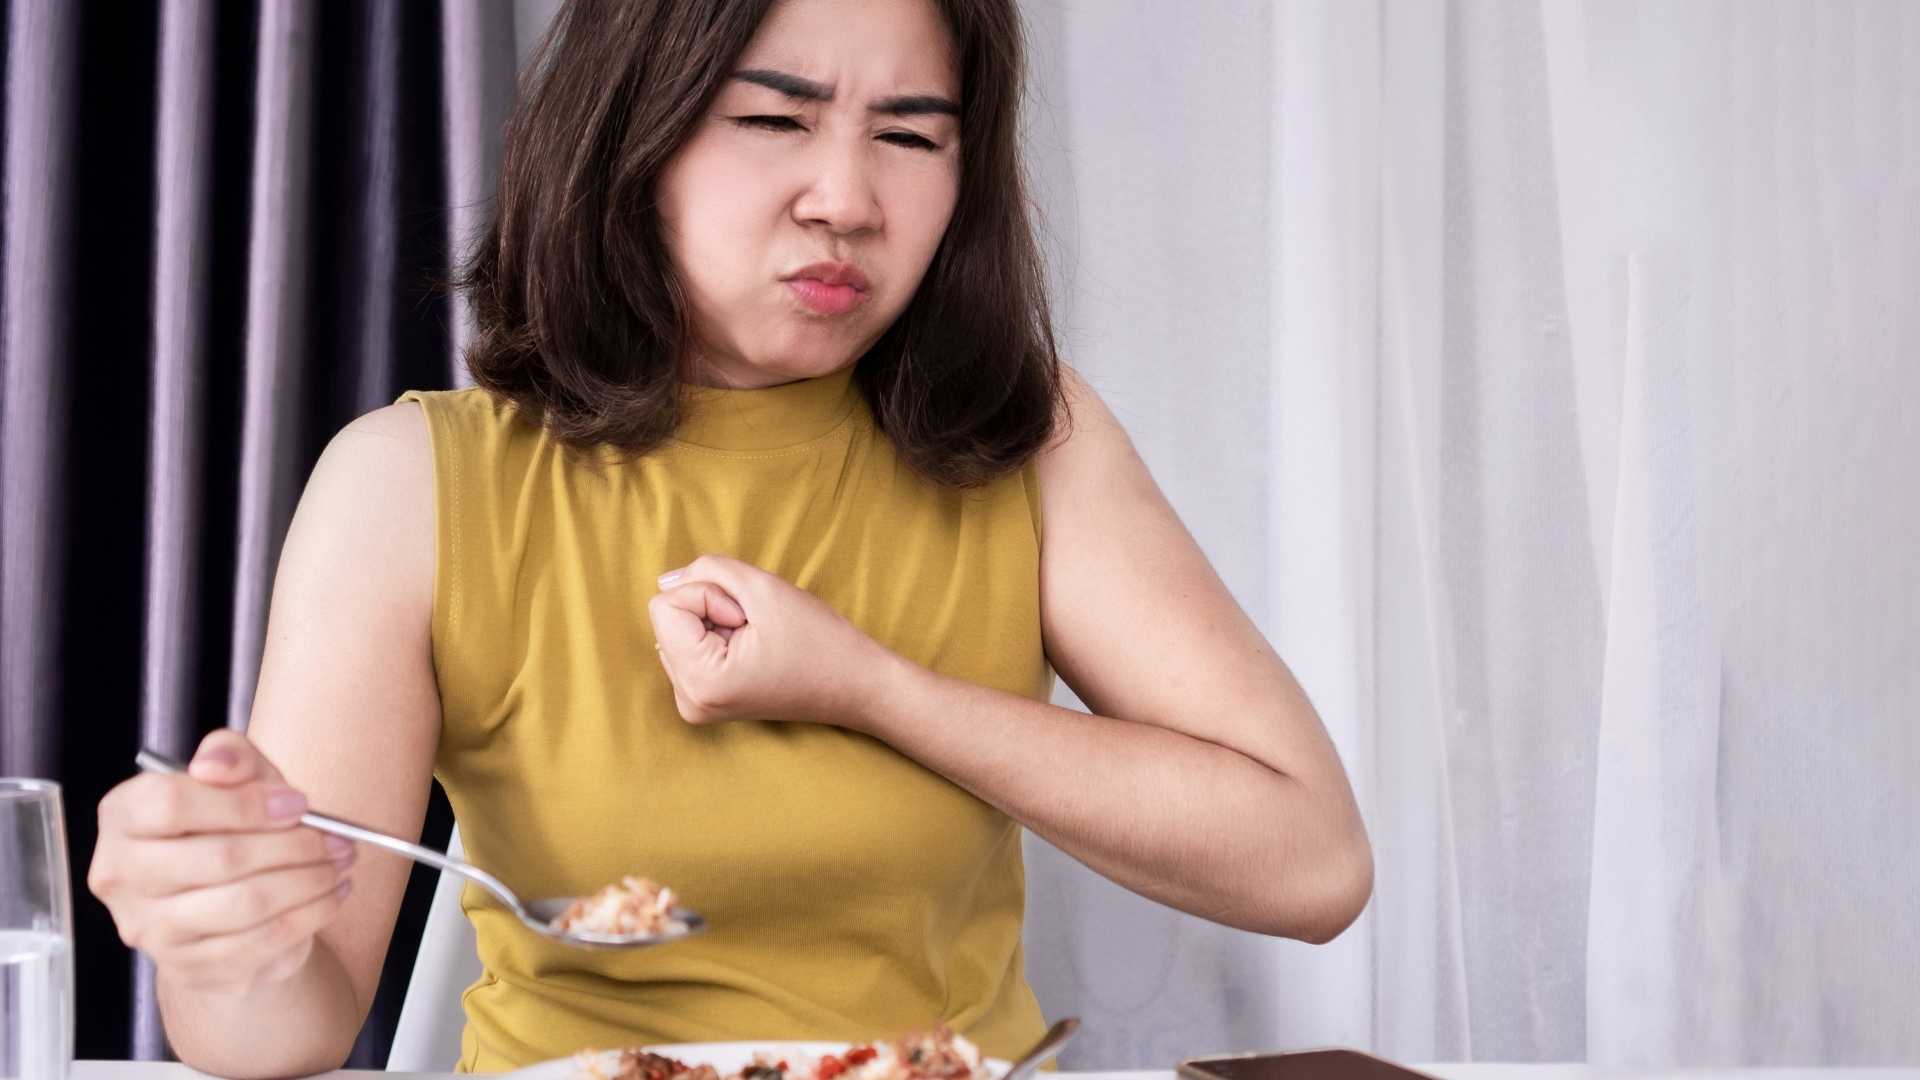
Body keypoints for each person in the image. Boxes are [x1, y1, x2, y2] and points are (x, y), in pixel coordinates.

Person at [86, 0, 1373, 1075]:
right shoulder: (411, 485)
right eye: (773, 120)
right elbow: (287, 1034)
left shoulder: (1030, 441)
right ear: (630, 132)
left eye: (910, 135)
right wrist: (225, 943)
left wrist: (874, 690)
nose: (847, 201)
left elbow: (1313, 865)